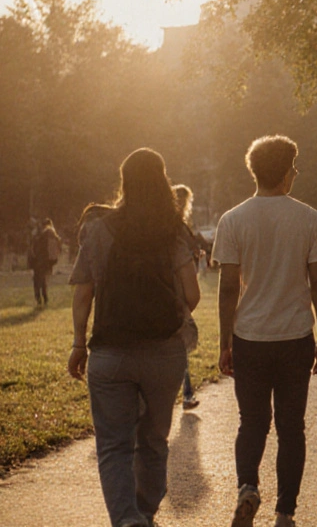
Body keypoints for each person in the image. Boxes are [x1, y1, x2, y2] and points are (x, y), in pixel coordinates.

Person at [66, 148, 201, 527]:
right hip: (164, 354)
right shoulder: (172, 230)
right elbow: (192, 294)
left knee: (114, 445)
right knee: (154, 441)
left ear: (124, 182)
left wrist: (79, 343)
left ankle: (127, 519)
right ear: (162, 181)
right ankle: (145, 510)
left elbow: (83, 294)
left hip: (110, 353)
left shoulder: (97, 229)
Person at [212, 135, 317, 527]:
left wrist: (225, 341)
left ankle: (247, 488)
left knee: (251, 422)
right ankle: (285, 512)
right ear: (285, 172)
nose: (295, 173)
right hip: (295, 337)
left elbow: (228, 288)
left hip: (249, 337)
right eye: (294, 167)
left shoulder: (232, 220)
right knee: (291, 428)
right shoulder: (309, 219)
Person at [174, 185, 203, 410]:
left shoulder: (174, 227)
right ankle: (186, 394)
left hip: (175, 293)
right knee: (180, 347)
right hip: (178, 293)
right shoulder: (178, 228)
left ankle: (186, 393)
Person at [30, 218, 60, 306]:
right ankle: (44, 298)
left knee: (38, 280)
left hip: (39, 259)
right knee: (42, 279)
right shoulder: (52, 234)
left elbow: (34, 248)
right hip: (45, 260)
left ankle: (39, 298)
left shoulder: (41, 235)